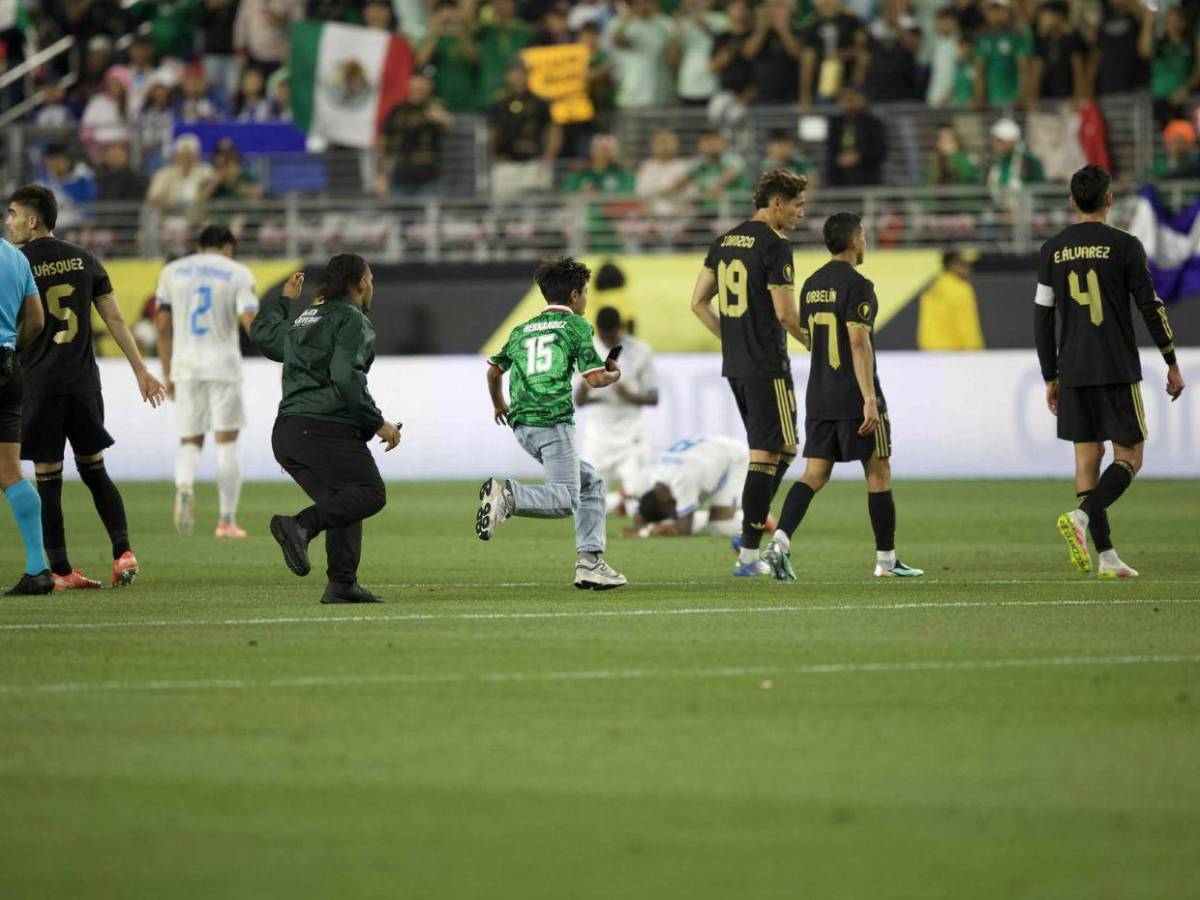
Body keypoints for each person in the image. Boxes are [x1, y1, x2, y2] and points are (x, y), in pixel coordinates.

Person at [7, 185, 166, 591]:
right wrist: (141, 371)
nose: (8, 223)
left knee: (48, 476)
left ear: (32, 219)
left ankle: (60, 570)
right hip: (83, 384)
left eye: (12, 214)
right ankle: (123, 551)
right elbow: (115, 320)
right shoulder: (85, 259)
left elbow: (25, 322)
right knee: (94, 468)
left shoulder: (17, 262)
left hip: (40, 383)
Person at [1035, 165, 1184, 578]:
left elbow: (1042, 318)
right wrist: (1170, 359)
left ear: (1072, 201)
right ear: (1109, 200)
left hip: (1073, 368)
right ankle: (1083, 519)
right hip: (1115, 365)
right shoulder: (1125, 245)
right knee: (1130, 458)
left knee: (1087, 460)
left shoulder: (1052, 249)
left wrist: (1050, 375)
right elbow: (1150, 306)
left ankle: (1107, 557)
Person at [764, 212, 924, 581]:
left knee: (814, 474)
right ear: (854, 240)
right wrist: (869, 398)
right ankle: (886, 560)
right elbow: (857, 340)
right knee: (879, 473)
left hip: (819, 395)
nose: (865, 242)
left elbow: (808, 334)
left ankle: (781, 540)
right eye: (864, 235)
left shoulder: (812, 285)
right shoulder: (859, 285)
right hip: (854, 395)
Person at [250, 256, 401, 605]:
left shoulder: (305, 318)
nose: (372, 285)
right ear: (361, 282)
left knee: (344, 500)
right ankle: (301, 526)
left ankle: (342, 584)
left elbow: (263, 336)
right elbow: (346, 376)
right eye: (371, 278)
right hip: (324, 427)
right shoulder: (352, 320)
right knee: (369, 493)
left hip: (288, 433)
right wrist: (376, 422)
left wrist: (284, 301)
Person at [478, 256, 627, 591]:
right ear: (574, 296)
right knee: (565, 499)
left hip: (522, 427)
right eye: (585, 292)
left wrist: (499, 403)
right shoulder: (576, 326)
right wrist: (615, 372)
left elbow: (492, 371)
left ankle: (590, 564)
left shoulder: (521, 330)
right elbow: (595, 380)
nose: (587, 300)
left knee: (592, 485)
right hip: (553, 423)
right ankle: (508, 498)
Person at [689, 169, 807, 578]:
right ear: (776, 203)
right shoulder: (775, 245)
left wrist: (730, 338)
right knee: (766, 453)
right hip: (767, 364)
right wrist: (814, 341)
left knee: (787, 447)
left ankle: (749, 526)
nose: (800, 214)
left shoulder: (723, 242)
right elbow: (786, 313)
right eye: (797, 205)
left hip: (738, 364)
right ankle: (748, 555)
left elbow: (698, 301)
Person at [155, 225, 259, 539]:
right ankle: (226, 521)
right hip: (224, 366)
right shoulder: (239, 273)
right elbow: (250, 321)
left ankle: (184, 485)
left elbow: (162, 326)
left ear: (200, 246)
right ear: (229, 247)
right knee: (226, 444)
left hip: (185, 366)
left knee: (190, 442)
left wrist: (167, 371)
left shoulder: (172, 272)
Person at [0, 229, 50, 595]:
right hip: (7, 365)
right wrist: (12, 348)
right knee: (11, 471)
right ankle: (38, 568)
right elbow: (36, 318)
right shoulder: (15, 257)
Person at [576, 305, 658, 500]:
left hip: (631, 432)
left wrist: (628, 395)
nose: (609, 340)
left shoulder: (639, 350)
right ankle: (620, 499)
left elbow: (654, 397)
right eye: (605, 337)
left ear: (620, 328)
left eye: (613, 336)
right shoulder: (587, 350)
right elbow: (578, 401)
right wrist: (587, 385)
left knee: (640, 492)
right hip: (599, 433)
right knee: (587, 494)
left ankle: (624, 498)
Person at [628, 435, 751, 538]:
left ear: (667, 503)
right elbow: (640, 513)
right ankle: (707, 518)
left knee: (720, 527)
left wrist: (653, 530)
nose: (674, 513)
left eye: (671, 512)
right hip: (707, 455)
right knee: (681, 517)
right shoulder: (648, 478)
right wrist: (644, 529)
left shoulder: (683, 481)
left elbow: (685, 531)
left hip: (735, 458)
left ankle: (758, 519)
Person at [917, 250, 985, 350]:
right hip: (953, 351)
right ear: (952, 265)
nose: (969, 269)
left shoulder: (932, 287)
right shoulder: (961, 289)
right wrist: (975, 350)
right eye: (965, 265)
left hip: (929, 350)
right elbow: (967, 325)